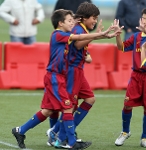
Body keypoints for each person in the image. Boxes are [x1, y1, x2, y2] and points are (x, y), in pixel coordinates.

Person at [11, 9, 120, 149]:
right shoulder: (58, 35)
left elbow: (81, 41)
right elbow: (79, 39)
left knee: (48, 110)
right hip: (55, 77)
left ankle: (20, 131)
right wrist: (103, 34)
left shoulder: (66, 34)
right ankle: (70, 141)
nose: (72, 23)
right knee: (68, 107)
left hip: (59, 77)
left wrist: (100, 37)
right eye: (69, 21)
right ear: (60, 23)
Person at [114, 7, 146, 148]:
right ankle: (124, 132)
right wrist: (117, 35)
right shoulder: (136, 36)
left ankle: (145, 138)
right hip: (136, 76)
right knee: (127, 105)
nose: (144, 21)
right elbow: (121, 48)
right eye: (143, 18)